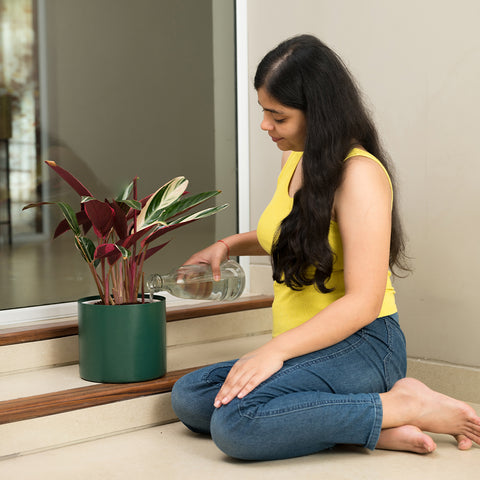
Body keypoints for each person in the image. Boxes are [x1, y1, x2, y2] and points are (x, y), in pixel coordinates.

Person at [171, 34, 480, 461]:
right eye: (264, 112)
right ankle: (370, 425)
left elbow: (364, 302)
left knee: (237, 423)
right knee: (191, 396)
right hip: (306, 348)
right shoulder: (294, 157)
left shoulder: (359, 176)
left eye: (277, 116)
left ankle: (405, 403)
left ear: (318, 113)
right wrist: (227, 244)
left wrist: (271, 352)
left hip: (365, 344)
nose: (265, 126)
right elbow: (296, 233)